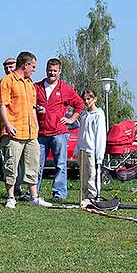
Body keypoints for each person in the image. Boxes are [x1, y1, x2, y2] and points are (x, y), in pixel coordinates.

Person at [0, 51, 53, 209]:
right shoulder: (7, 81)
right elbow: (2, 105)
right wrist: (7, 125)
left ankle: (34, 197)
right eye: (32, 66)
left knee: (33, 164)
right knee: (11, 165)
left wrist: (36, 125)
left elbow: (33, 108)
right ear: (25, 65)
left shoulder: (29, 84)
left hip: (30, 133)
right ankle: (11, 197)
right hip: (13, 132)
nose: (34, 69)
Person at [35, 58, 84, 201]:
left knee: (61, 165)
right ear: (46, 70)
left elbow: (79, 104)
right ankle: (33, 193)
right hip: (41, 133)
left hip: (59, 133)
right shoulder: (36, 87)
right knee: (36, 165)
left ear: (60, 72)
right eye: (50, 70)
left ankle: (59, 193)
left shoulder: (65, 88)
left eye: (55, 71)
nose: (52, 73)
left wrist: (71, 119)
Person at [0, 57, 24, 198]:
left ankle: (20, 188)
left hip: (22, 128)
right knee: (8, 160)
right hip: (7, 128)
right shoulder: (1, 83)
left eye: (11, 67)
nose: (8, 70)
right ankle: (11, 191)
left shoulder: (23, 82)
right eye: (6, 68)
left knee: (22, 162)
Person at [74, 90, 106, 206]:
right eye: (85, 99)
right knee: (84, 176)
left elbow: (100, 135)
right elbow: (81, 133)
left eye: (89, 99)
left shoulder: (99, 114)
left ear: (95, 99)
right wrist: (77, 149)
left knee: (92, 175)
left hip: (92, 150)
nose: (86, 101)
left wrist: (99, 155)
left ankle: (93, 197)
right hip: (83, 149)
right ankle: (86, 196)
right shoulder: (84, 115)